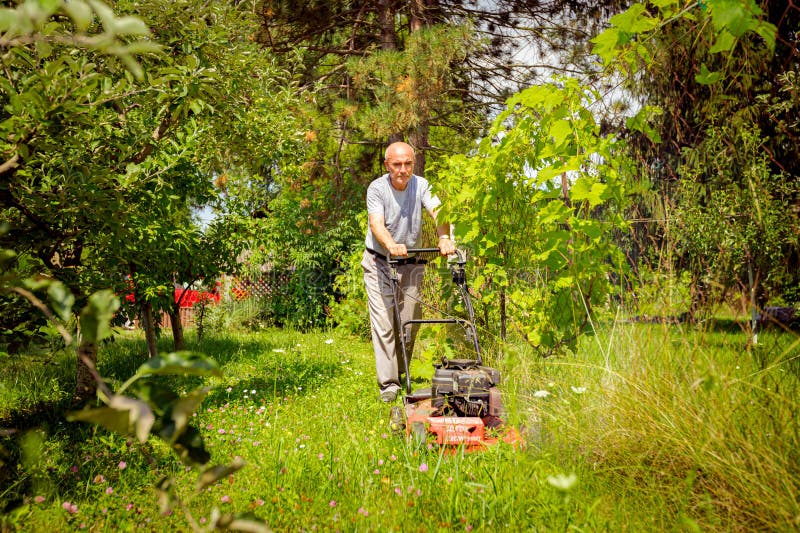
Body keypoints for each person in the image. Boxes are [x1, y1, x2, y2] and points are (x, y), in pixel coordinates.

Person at [362, 141, 455, 402]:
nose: (403, 170)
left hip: (411, 263)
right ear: (386, 165)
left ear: (413, 164)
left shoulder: (422, 185)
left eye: (408, 164)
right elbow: (376, 223)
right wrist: (391, 244)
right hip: (379, 261)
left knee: (409, 324)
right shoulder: (377, 188)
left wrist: (444, 237)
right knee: (384, 324)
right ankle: (389, 385)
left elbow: (438, 211)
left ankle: (402, 374)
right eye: (397, 164)